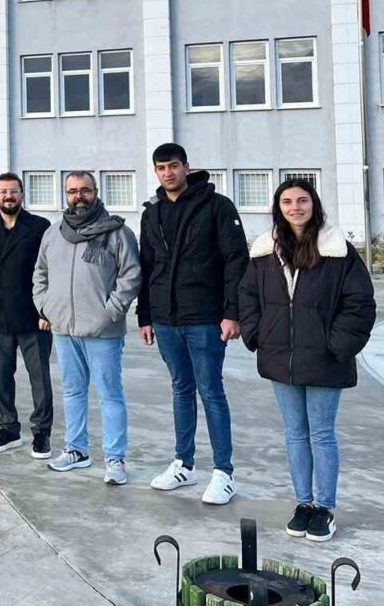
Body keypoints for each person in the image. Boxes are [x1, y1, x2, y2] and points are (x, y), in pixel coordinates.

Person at [239, 179, 376, 543]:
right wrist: (258, 334)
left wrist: (338, 345)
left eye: (302, 200)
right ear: (278, 208)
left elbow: (360, 302)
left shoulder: (336, 249)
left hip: (324, 359)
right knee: (295, 433)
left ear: (313, 204)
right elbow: (247, 296)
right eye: (287, 202)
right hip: (280, 356)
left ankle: (324, 508)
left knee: (322, 434)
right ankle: (304, 503)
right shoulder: (265, 250)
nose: (295, 207)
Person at [137, 143, 249, 505]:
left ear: (187, 167)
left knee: (211, 391)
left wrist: (232, 312)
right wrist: (145, 315)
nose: (167, 173)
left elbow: (236, 261)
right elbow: (147, 266)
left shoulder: (217, 206)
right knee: (180, 389)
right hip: (165, 319)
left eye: (173, 166)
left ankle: (224, 473)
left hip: (205, 318)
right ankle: (184, 464)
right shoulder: (152, 213)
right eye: (161, 168)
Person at [33, 170, 140, 484]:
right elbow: (40, 273)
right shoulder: (53, 233)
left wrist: (111, 311)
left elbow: (131, 275)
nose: (78, 196)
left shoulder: (117, 232)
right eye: (72, 191)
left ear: (96, 192)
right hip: (64, 328)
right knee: (72, 391)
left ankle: (115, 458)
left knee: (110, 394)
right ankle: (76, 450)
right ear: (65, 195)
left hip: (103, 331)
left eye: (85, 190)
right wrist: (46, 306)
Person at [0, 173, 54, 457]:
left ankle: (41, 432)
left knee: (39, 378)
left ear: (22, 195)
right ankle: (8, 429)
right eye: (3, 191)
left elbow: (51, 271)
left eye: (14, 191)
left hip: (35, 318)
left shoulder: (40, 227)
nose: (9, 196)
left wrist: (47, 311)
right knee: (2, 377)